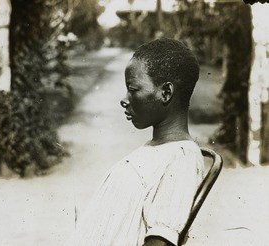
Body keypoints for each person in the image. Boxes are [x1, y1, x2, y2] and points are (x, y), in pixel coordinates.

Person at [75, 38, 205, 246]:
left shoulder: (182, 159)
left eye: (133, 89)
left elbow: (160, 241)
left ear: (166, 92)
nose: (125, 99)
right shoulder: (156, 150)